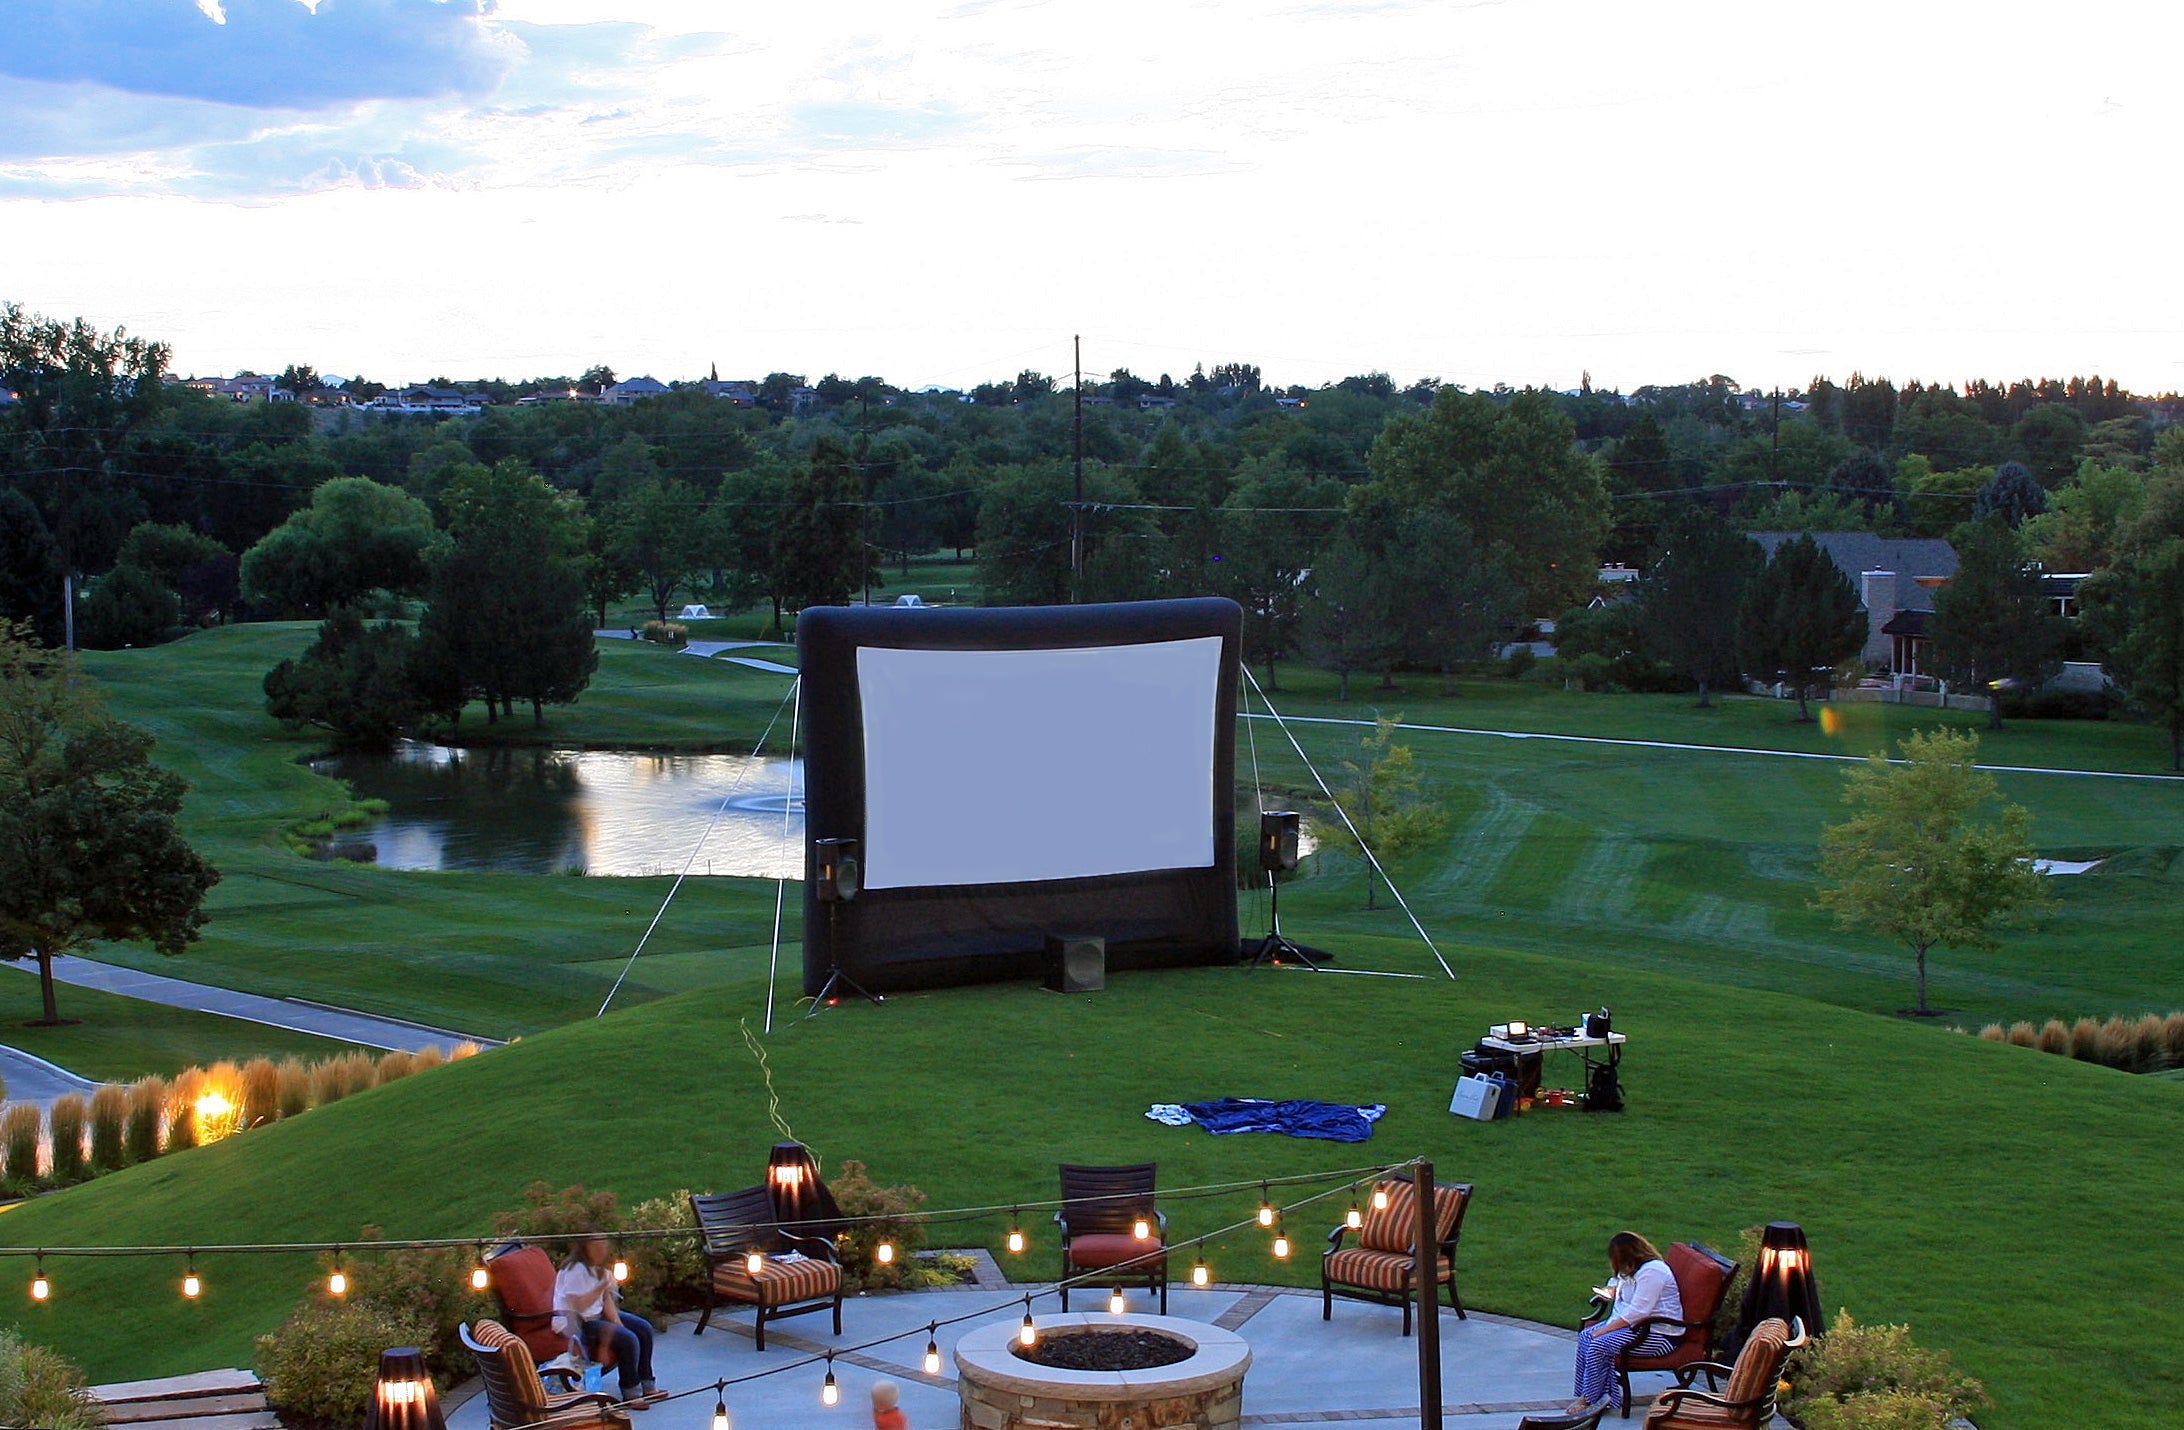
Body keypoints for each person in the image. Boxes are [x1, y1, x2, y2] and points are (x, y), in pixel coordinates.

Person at [1568, 1231, 1683, 1417]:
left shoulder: (1653, 1272)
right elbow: (1617, 1280)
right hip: (1635, 1326)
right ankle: (1594, 1394)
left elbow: (1639, 1311)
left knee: (1599, 1345)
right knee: (1585, 1337)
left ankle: (1589, 1399)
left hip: (1657, 1333)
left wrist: (1605, 1330)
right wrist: (1611, 1290)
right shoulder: (1632, 1269)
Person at [554, 1233, 662, 1410]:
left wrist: (617, 1323)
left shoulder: (596, 1268)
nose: (602, 1250)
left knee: (643, 1329)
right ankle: (631, 1392)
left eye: (603, 1246)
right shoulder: (574, 1270)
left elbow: (606, 1300)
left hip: (596, 1315)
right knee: (628, 1339)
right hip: (576, 1321)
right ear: (585, 1248)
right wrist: (602, 1286)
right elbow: (579, 1305)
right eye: (597, 1247)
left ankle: (648, 1384)